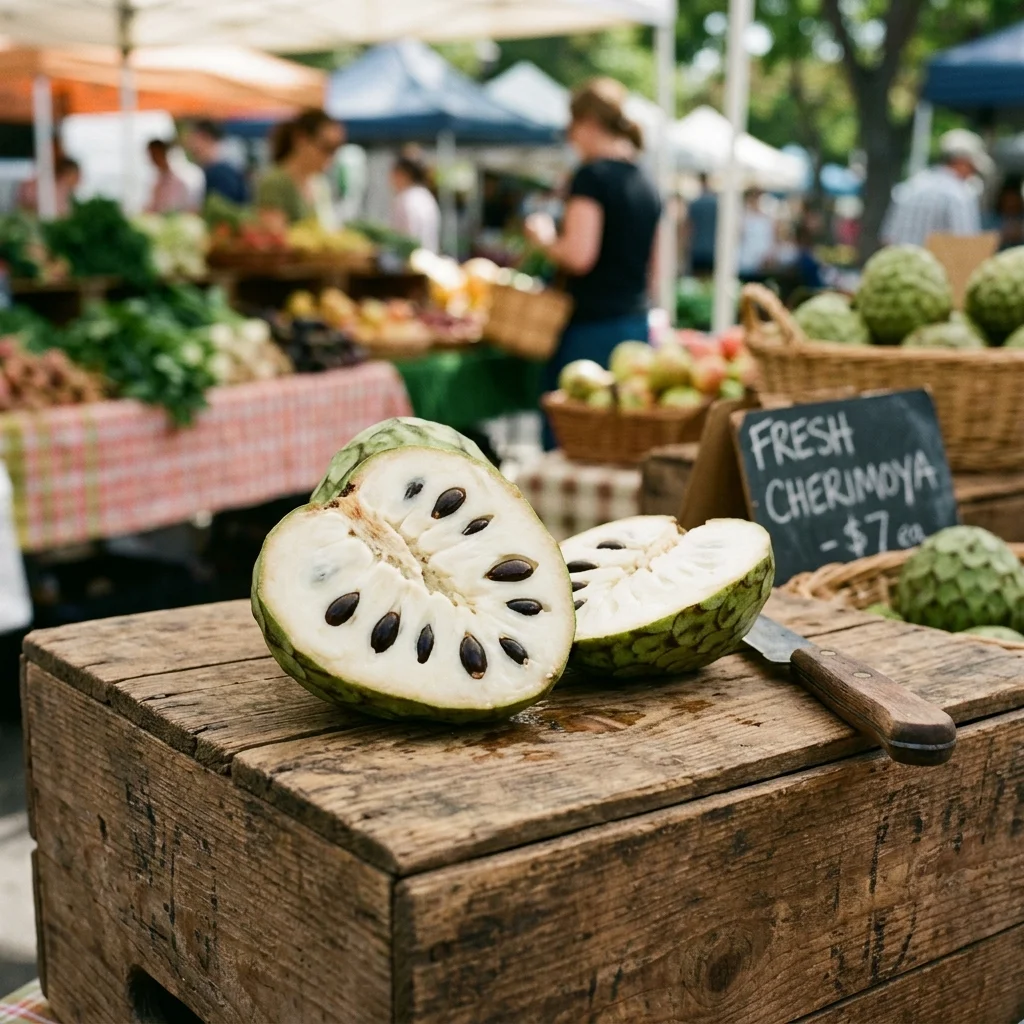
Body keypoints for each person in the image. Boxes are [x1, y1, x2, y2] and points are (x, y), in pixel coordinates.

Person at [524, 78, 661, 449]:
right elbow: (656, 267)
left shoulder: (592, 177)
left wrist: (544, 238)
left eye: (571, 128)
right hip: (634, 324)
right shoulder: (646, 181)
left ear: (586, 122)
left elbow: (579, 256)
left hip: (589, 330)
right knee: (621, 441)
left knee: (573, 441)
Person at [881, 129, 990, 246]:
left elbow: (887, 238)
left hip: (902, 262)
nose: (971, 174)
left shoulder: (910, 186)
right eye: (972, 168)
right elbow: (966, 244)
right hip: (940, 264)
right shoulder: (959, 194)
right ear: (961, 162)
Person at [256, 109, 345, 226]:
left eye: (335, 149)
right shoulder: (275, 183)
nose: (331, 156)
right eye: (326, 147)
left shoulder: (320, 184)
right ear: (301, 139)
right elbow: (274, 235)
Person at [182, 119, 249, 206]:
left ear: (205, 136)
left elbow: (222, 210)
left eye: (192, 138)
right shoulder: (223, 164)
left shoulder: (221, 171)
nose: (189, 144)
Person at [390, 154, 440, 251]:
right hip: (429, 257)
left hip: (411, 260)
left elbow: (407, 239)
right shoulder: (426, 195)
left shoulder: (405, 199)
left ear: (403, 174)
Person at [145, 140, 193, 214]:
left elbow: (171, 208)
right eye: (151, 155)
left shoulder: (177, 178)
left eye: (154, 154)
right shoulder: (158, 178)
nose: (152, 159)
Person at [738, 188, 775, 277]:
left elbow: (770, 240)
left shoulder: (766, 219)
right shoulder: (743, 216)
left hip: (761, 263)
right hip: (744, 262)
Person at [686, 173, 717, 274]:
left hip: (697, 249)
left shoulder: (694, 203)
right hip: (713, 248)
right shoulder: (717, 203)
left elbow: (689, 227)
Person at [986, 176, 1024, 251]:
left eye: (1015, 199)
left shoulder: (1021, 218)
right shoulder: (990, 219)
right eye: (1009, 199)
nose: (1012, 203)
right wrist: (1001, 234)